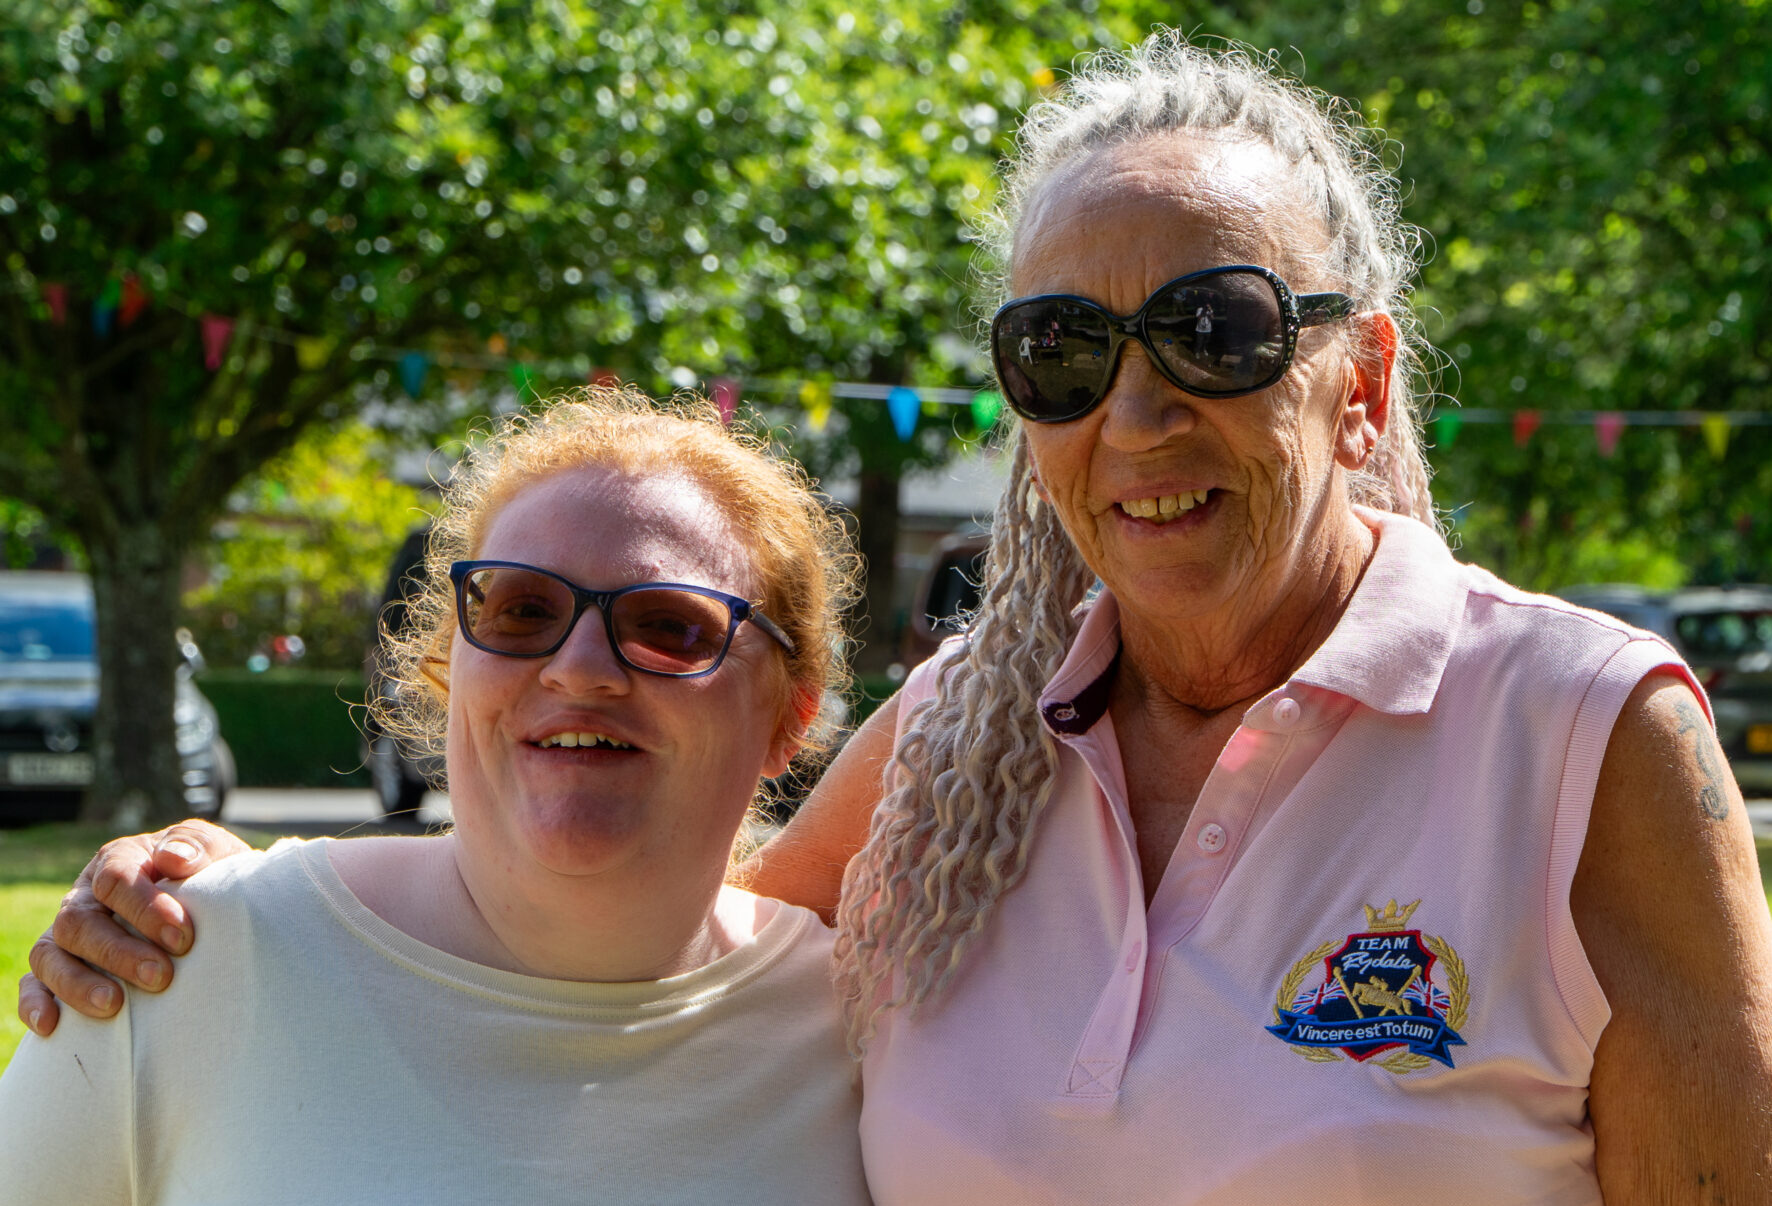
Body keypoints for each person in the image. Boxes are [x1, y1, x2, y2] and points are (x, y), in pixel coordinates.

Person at [21, 35, 1772, 1205]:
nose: (1139, 416)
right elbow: (634, 936)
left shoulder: (1586, 736)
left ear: (1361, 372)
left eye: (1218, 331)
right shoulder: (953, 749)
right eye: (1063, 355)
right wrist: (222, 904)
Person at [0, 388, 872, 1205]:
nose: (578, 666)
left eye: (670, 626)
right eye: (523, 612)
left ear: (789, 719)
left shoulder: (874, 1036)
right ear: (449, 667)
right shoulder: (183, 959)